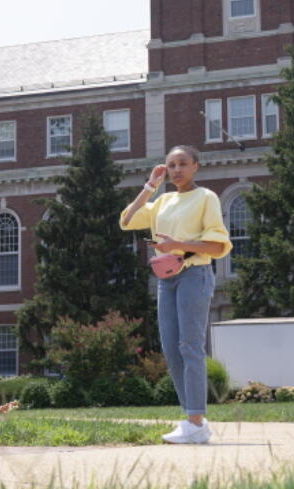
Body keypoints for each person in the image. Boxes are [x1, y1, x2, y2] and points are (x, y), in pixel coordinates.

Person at [120, 145, 231, 445]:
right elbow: (127, 220)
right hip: (165, 280)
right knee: (171, 349)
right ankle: (191, 420)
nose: (177, 170)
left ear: (196, 166)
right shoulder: (163, 200)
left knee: (190, 346)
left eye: (183, 164)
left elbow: (218, 246)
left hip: (194, 274)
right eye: (171, 165)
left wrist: (178, 244)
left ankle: (196, 421)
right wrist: (149, 187)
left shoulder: (206, 197)